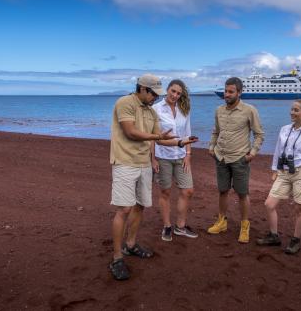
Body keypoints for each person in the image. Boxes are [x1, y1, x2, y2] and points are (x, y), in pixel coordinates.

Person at [109, 74, 197, 281]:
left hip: (143, 165)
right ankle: (116, 257)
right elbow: (130, 132)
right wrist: (158, 138)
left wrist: (181, 143)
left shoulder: (150, 111)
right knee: (124, 209)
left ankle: (130, 245)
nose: (156, 98)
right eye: (153, 94)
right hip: (125, 162)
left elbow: (161, 139)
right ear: (142, 89)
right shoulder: (124, 103)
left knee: (140, 206)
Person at [256, 99, 301, 255]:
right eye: (292, 109)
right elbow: (279, 150)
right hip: (284, 172)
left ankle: (296, 241)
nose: (292, 112)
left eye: (296, 110)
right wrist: (275, 169)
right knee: (269, 204)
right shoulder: (285, 129)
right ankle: (273, 236)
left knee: (300, 208)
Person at [207, 77, 264, 243]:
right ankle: (221, 222)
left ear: (239, 92)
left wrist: (252, 153)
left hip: (240, 158)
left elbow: (259, 134)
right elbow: (216, 131)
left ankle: (245, 226)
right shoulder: (219, 110)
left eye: (231, 91)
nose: (227, 94)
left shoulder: (249, 110)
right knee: (223, 190)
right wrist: (211, 147)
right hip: (221, 157)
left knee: (242, 193)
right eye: (226, 91)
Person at [151, 79, 198, 241]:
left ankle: (180, 226)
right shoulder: (155, 109)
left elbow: (188, 132)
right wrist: (153, 159)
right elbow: (153, 137)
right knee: (165, 192)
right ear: (167, 90)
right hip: (163, 156)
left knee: (188, 190)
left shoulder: (184, 109)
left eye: (178, 93)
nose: (175, 95)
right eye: (173, 91)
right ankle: (167, 226)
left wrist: (188, 154)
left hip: (181, 156)